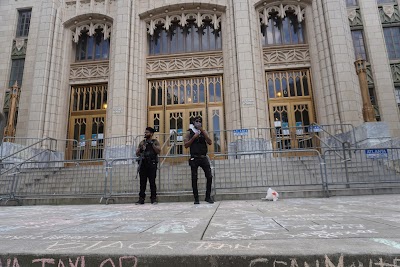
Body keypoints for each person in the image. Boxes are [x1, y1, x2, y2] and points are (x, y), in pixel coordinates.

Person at [184, 116, 214, 204]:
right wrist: (193, 138)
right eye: (196, 121)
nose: (198, 122)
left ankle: (207, 197)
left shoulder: (203, 132)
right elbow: (186, 145)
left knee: (209, 176)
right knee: (194, 178)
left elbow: (210, 142)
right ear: (193, 122)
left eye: (200, 121)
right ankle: (196, 198)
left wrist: (203, 132)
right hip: (194, 158)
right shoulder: (189, 132)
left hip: (203, 157)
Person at [135, 127, 161, 205]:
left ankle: (153, 198)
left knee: (152, 182)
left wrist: (152, 144)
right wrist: (141, 149)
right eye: (145, 132)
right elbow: (137, 153)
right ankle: (141, 198)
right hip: (143, 164)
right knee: (142, 182)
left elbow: (158, 150)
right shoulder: (142, 142)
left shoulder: (155, 141)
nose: (145, 134)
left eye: (147, 132)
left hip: (152, 163)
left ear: (151, 134)